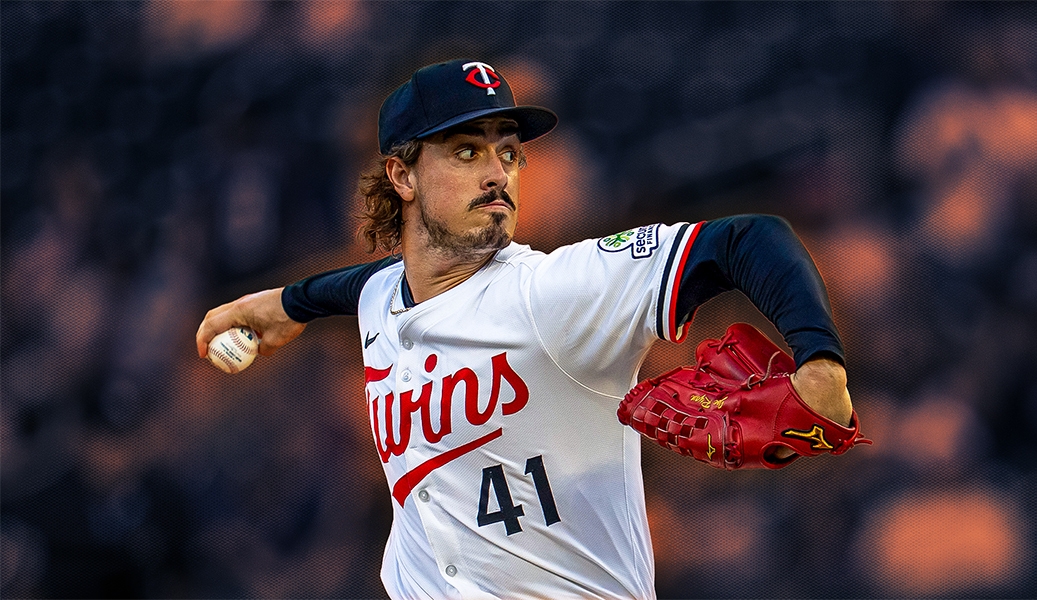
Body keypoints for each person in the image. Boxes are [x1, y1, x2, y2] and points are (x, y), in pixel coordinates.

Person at [196, 59, 855, 600]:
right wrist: (282, 305)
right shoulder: (380, 298)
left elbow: (747, 239)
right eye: (466, 151)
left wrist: (820, 359)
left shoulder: (556, 289)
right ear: (401, 175)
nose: (496, 172)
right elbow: (362, 286)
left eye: (507, 152)